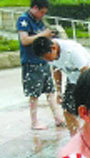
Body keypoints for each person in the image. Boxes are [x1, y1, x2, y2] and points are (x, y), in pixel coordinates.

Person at [16, 0, 64, 130]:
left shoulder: (39, 21)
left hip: (43, 61)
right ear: (35, 8)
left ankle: (58, 118)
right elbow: (24, 40)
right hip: (31, 63)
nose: (43, 15)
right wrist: (43, 35)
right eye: (42, 12)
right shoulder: (23, 20)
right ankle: (34, 122)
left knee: (50, 91)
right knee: (34, 94)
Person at [33, 37, 90, 136]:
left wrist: (85, 94)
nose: (49, 60)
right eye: (45, 59)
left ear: (53, 48)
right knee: (68, 111)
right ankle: (75, 138)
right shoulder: (49, 52)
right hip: (73, 79)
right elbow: (56, 69)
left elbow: (86, 72)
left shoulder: (72, 51)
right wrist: (59, 91)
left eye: (48, 57)